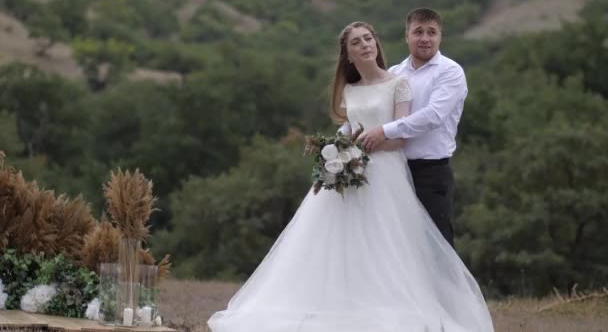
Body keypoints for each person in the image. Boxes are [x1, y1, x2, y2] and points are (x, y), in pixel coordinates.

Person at [207, 21, 494, 332]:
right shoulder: (349, 90)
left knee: (390, 245)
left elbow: (401, 137)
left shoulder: (398, 83)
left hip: (387, 175)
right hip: (354, 171)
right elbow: (349, 128)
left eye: (368, 38)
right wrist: (335, 152)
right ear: (348, 55)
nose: (365, 45)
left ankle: (409, 308)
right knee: (342, 243)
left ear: (377, 43)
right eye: (356, 42)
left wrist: (375, 139)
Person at [357, 8, 467, 246]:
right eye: (418, 32)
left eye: (432, 32)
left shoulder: (451, 72)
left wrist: (383, 131)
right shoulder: (394, 73)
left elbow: (433, 116)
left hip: (431, 172)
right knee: (397, 247)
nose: (425, 38)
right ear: (407, 35)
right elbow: (374, 114)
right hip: (393, 171)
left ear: (440, 36)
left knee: (436, 247)